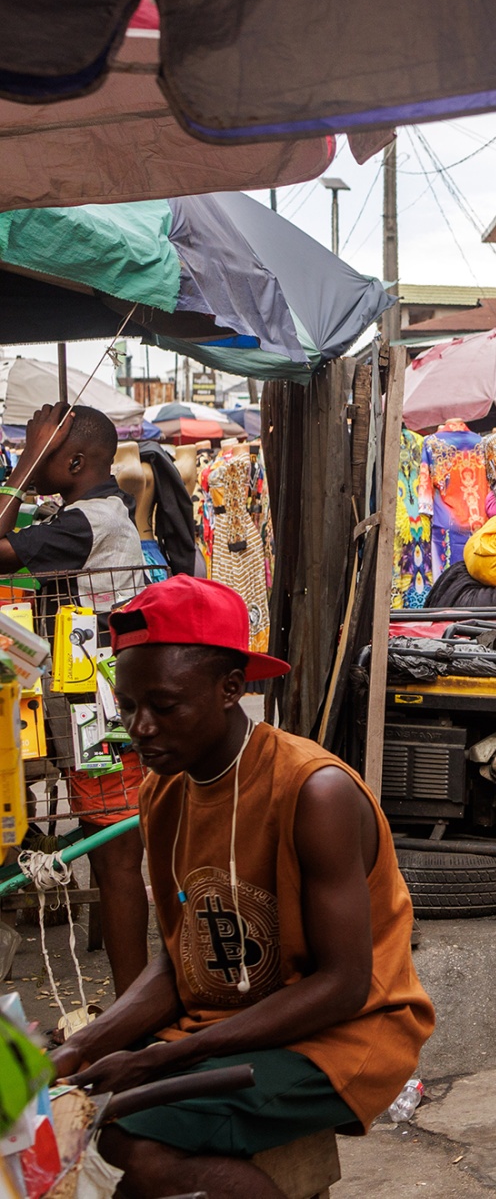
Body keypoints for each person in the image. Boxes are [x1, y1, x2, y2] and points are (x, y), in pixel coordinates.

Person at [51, 575, 434, 1197]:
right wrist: (84, 1046)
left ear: (232, 689)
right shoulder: (161, 790)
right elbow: (184, 960)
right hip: (225, 1018)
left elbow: (342, 987)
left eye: (165, 706)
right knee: (69, 1120)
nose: (141, 728)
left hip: (344, 1033)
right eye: (128, 707)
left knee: (122, 1143)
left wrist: (159, 1057)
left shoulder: (316, 791)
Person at [0, 403, 150, 992]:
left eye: (43, 449)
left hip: (101, 711)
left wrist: (21, 470)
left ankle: (133, 1006)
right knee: (113, 848)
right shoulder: (79, 514)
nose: (29, 456)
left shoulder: (92, 521)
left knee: (115, 858)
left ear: (76, 461)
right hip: (88, 698)